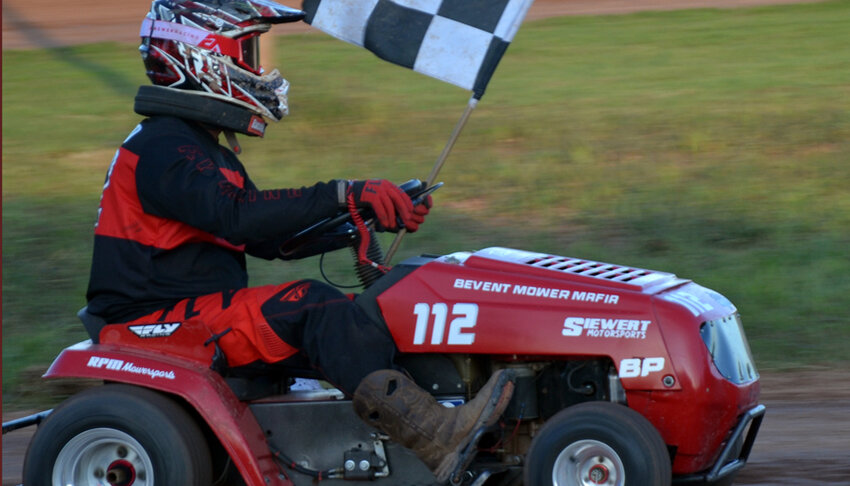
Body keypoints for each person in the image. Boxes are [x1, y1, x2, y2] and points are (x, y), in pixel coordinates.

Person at [85, 0, 514, 482]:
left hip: (194, 309)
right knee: (311, 305)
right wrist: (342, 193)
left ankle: (425, 423)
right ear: (201, 58)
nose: (258, 67)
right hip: (151, 321)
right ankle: (435, 433)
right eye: (247, 51)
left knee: (363, 309)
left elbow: (272, 242)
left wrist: (364, 217)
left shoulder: (196, 146)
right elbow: (239, 217)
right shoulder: (163, 146)